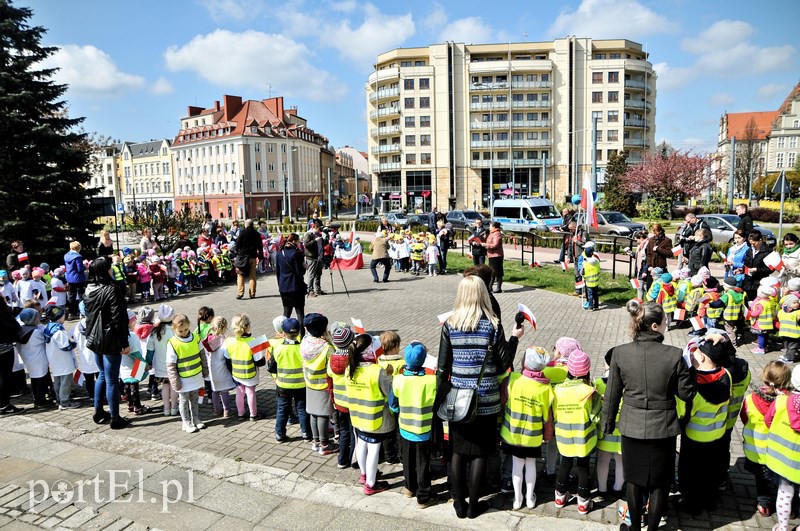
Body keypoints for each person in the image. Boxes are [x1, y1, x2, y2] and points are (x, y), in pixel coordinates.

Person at [602, 300, 695, 531]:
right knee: (660, 483)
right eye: (665, 321)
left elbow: (612, 393)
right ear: (654, 326)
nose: (667, 324)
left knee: (634, 480)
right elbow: (686, 394)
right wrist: (690, 369)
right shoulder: (675, 355)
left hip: (631, 426)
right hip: (663, 428)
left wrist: (608, 422)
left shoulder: (620, 353)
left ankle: (635, 528)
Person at [437, 275, 523, 519]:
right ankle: (474, 506)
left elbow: (443, 367)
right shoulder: (493, 325)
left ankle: (458, 503)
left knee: (458, 451)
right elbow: (504, 363)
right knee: (480, 452)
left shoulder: (450, 324)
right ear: (483, 294)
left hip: (458, 401)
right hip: (486, 399)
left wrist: (440, 397)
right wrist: (515, 338)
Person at [677, 338, 732, 516]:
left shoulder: (694, 386)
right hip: (718, 435)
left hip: (695, 437)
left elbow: (684, 413)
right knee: (711, 471)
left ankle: (691, 505)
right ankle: (710, 501)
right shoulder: (727, 375)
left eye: (696, 353)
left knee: (691, 474)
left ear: (701, 358)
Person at [499, 346, 553, 510]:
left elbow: (502, 403)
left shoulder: (512, 380)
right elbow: (547, 418)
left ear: (525, 362)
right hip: (533, 437)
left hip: (513, 435)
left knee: (516, 467)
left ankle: (517, 499)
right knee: (531, 466)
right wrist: (548, 436)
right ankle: (530, 498)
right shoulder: (545, 389)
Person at [83, 256, 131, 429]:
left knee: (102, 375)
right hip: (109, 339)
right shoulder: (112, 289)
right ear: (105, 270)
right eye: (109, 267)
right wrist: (124, 342)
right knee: (111, 379)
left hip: (94, 338)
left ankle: (98, 410)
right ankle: (115, 417)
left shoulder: (88, 289)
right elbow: (119, 319)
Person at [389, 341, 438, 508]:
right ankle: (423, 496)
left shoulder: (398, 380)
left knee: (408, 460)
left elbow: (393, 405)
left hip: (404, 428)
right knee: (423, 462)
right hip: (424, 429)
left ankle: (409, 487)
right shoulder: (432, 381)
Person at [740, 361, 792, 517]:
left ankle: (764, 505)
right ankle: (789, 507)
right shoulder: (787, 402)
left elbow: (744, 418)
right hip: (779, 453)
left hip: (757, 451)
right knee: (783, 480)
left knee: (761, 480)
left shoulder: (750, 399)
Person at [347, 332, 395, 496]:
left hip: (357, 416)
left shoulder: (350, 367)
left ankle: (365, 475)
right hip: (375, 419)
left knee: (362, 444)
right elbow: (389, 393)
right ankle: (371, 484)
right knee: (374, 448)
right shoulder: (377, 371)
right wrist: (390, 377)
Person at [553, 350, 599, 515]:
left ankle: (559, 496)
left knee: (565, 463)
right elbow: (595, 417)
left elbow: (555, 413)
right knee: (584, 466)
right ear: (587, 370)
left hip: (564, 436)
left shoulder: (557, 390)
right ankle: (583, 502)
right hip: (583, 438)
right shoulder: (589, 392)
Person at [764, 364, 800, 531]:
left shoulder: (781, 400)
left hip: (783, 460)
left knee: (784, 493)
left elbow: (768, 421)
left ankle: (783, 526)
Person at [269, 317, 310, 442]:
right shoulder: (303, 348)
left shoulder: (278, 348)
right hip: (301, 385)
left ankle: (280, 434)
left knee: (282, 409)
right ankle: (306, 433)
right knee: (302, 409)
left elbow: (272, 367)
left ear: (284, 333)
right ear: (298, 332)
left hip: (283, 385)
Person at [166, 313, 209, 433]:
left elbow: (202, 355)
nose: (184, 332)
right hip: (183, 379)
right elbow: (171, 366)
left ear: (189, 326)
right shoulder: (173, 343)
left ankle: (196, 418)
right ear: (174, 329)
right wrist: (175, 382)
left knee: (195, 398)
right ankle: (186, 422)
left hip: (196, 376)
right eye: (180, 331)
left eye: (186, 329)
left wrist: (205, 371)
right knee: (184, 400)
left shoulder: (195, 337)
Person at [301, 313, 336, 455]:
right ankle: (324, 444)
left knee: (313, 414)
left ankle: (315, 442)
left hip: (309, 382)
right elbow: (332, 366)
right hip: (323, 385)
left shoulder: (304, 342)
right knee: (323, 415)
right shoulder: (326, 347)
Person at [224, 313, 265, 421]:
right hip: (250, 374)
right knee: (250, 393)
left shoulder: (229, 341)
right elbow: (260, 362)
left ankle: (240, 414)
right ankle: (253, 414)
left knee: (239, 392)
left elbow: (227, 359)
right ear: (248, 326)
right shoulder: (254, 341)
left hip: (237, 373)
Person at [202, 316, 236, 419]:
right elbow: (227, 355)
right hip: (223, 370)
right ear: (224, 328)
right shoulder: (224, 341)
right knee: (224, 391)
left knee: (215, 391)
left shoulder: (207, 341)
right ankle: (226, 410)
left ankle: (216, 410)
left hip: (212, 371)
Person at [147, 305, 178, 416]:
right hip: (174, 364)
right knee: (174, 386)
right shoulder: (176, 330)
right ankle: (174, 408)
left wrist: (148, 362)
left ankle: (166, 408)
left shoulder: (155, 332)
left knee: (165, 386)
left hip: (160, 364)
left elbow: (150, 350)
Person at [275, 233, 306, 325]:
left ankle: (284, 334)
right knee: (300, 313)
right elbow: (300, 272)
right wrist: (304, 267)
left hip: (284, 287)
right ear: (294, 241)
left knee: (286, 313)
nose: (299, 242)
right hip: (296, 287)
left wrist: (280, 285)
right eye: (298, 240)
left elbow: (278, 272)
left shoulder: (279, 253)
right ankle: (301, 336)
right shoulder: (297, 253)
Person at [234, 219, 264, 300]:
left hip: (243, 256)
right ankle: (252, 293)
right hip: (253, 256)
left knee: (240, 275)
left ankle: (240, 293)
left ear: (246, 225)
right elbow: (260, 246)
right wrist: (260, 256)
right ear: (252, 225)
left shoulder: (242, 232)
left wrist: (237, 251)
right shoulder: (256, 233)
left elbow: (237, 244)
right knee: (252, 275)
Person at [743, 231, 773, 302]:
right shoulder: (749, 250)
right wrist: (741, 270)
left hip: (760, 283)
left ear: (760, 240)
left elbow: (770, 269)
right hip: (748, 283)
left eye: (754, 243)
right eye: (751, 244)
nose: (752, 245)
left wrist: (757, 270)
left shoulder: (767, 252)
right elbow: (746, 264)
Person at [64, 241, 87, 320]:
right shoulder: (78, 257)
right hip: (78, 278)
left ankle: (71, 312)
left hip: (70, 278)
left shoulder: (66, 256)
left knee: (71, 296)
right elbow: (80, 269)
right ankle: (81, 312)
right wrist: (85, 266)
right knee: (81, 295)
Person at [303, 221, 325, 297]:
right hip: (311, 257)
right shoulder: (308, 234)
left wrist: (326, 238)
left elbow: (323, 244)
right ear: (314, 227)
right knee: (311, 274)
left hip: (319, 257)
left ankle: (318, 289)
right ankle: (310, 290)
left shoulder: (319, 234)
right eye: (319, 229)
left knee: (318, 274)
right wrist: (315, 240)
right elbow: (306, 245)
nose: (320, 230)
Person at [485, 222, 504, 293]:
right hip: (491, 255)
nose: (489, 227)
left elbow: (495, 245)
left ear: (494, 227)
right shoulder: (491, 233)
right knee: (492, 272)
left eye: (490, 226)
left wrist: (486, 245)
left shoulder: (497, 234)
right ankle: (490, 287)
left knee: (498, 272)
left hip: (496, 256)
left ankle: (498, 288)